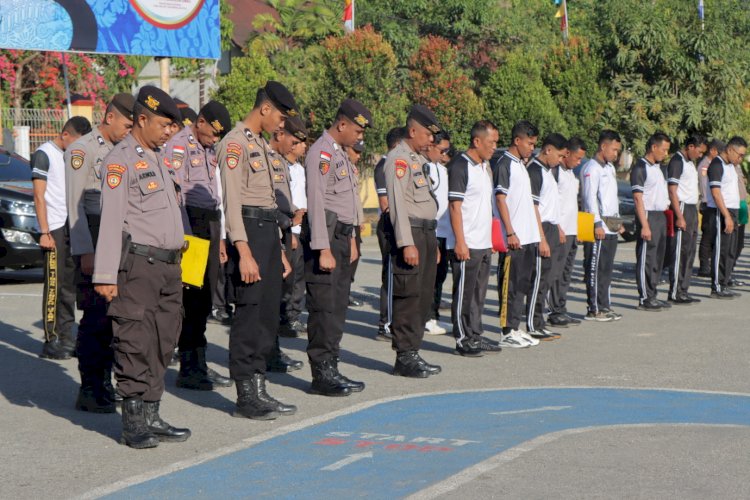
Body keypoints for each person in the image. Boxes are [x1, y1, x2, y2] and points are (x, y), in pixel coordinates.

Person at [92, 86, 189, 449]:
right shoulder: (121, 161)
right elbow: (111, 219)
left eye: (173, 126)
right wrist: (104, 275)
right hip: (138, 266)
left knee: (164, 340)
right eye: (165, 125)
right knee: (135, 340)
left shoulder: (157, 158)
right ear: (143, 119)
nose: (169, 132)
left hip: (169, 267)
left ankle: (152, 412)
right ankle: (133, 421)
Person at [217, 81, 297, 419]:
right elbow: (232, 203)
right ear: (265, 109)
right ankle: (245, 394)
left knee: (266, 315)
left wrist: (277, 249)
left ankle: (260, 387)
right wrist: (243, 250)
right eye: (280, 117)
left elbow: (267, 201)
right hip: (247, 233)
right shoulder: (234, 144)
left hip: (266, 233)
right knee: (248, 314)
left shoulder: (261, 145)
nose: (282, 125)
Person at [66, 93, 134, 413]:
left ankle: (105, 381)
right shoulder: (82, 150)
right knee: (94, 318)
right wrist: (85, 250)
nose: (129, 129)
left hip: (113, 234)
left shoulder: (124, 151)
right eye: (126, 123)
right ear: (109, 117)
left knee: (112, 318)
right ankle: (90, 387)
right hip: (92, 234)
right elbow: (75, 204)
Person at [164, 101, 234, 390]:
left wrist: (218, 239)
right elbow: (176, 194)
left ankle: (199, 362)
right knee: (192, 301)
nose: (215, 139)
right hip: (191, 224)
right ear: (201, 122)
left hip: (210, 223)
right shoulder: (179, 145)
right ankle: (189, 367)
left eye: (219, 136)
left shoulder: (208, 149)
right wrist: (187, 237)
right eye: (213, 132)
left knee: (205, 299)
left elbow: (214, 193)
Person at [303, 99, 370, 395]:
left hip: (343, 237)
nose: (359, 137)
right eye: (356, 130)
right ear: (342, 124)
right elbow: (316, 201)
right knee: (324, 308)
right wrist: (322, 248)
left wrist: (353, 238)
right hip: (327, 238)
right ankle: (321, 374)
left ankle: (333, 366)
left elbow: (349, 201)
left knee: (338, 306)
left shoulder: (340, 154)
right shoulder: (322, 152)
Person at [384, 104, 443, 376]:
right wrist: (407, 243)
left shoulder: (418, 160)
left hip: (426, 233)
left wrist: (432, 241)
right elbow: (397, 204)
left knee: (423, 295)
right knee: (408, 296)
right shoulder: (399, 159)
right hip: (412, 234)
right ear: (412, 130)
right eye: (428, 134)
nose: (432, 140)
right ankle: (404, 356)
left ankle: (413, 350)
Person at [33, 116, 92, 359]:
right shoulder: (44, 153)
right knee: (54, 287)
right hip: (53, 227)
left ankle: (68, 336)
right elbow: (39, 196)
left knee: (69, 286)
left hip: (70, 225)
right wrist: (44, 231)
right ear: (66, 134)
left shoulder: (71, 156)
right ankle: (51, 339)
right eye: (77, 141)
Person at [447, 121, 499, 356]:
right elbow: (455, 207)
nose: (494, 147)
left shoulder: (484, 166)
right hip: (466, 243)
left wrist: (491, 239)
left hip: (483, 242)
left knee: (479, 293)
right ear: (477, 141)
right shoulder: (460, 165)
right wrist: (460, 241)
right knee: (464, 294)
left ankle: (475, 335)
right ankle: (462, 338)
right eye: (491, 142)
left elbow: (485, 206)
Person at [493, 120, 541, 349]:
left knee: (522, 284)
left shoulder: (521, 165)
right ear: (517, 140)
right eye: (529, 143)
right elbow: (500, 198)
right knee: (509, 286)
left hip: (528, 237)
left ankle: (515, 326)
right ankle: (506, 330)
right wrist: (510, 232)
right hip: (514, 238)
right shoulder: (505, 164)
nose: (532, 148)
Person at [267, 115, 307, 373]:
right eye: (294, 139)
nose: (296, 145)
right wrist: (289, 223)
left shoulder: (285, 164)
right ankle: (265, 356)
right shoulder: (268, 159)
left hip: (283, 228)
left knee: (279, 293)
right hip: (271, 231)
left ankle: (272, 352)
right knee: (268, 300)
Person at [524, 133, 568, 339]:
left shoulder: (548, 172)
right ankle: (533, 324)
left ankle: (540, 321)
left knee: (547, 279)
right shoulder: (534, 171)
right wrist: (541, 237)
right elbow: (533, 207)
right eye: (559, 156)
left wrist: (558, 227)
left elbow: (550, 204)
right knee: (539, 279)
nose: (560, 161)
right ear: (548, 150)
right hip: (539, 228)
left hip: (551, 227)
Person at [581, 130, 624, 322]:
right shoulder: (592, 168)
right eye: (614, 149)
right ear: (603, 146)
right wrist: (597, 223)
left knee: (607, 269)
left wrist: (617, 224)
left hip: (610, 226)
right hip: (596, 226)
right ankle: (594, 308)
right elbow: (590, 199)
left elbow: (609, 200)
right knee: (595, 268)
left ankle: (605, 305)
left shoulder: (609, 168)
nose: (616, 154)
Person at [548, 137, 586, 327]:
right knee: (555, 272)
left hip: (572, 231)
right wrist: (559, 228)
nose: (578, 163)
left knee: (566, 273)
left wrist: (578, 228)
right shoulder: (556, 173)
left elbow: (574, 204)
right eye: (577, 158)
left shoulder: (571, 174)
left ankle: (561, 308)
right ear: (567, 153)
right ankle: (553, 311)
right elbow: (553, 204)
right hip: (560, 231)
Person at [631, 132, 672, 311]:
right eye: (663, 149)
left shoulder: (657, 167)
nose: (665, 153)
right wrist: (645, 225)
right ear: (653, 147)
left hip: (660, 215)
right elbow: (638, 199)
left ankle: (653, 292)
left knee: (658, 257)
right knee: (647, 257)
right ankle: (645, 297)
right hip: (647, 215)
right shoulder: (641, 167)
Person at [373, 127, 407, 341]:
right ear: (397, 144)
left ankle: (396, 320)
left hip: (399, 224)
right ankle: (385, 324)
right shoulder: (384, 165)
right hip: (389, 226)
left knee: (399, 275)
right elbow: (385, 203)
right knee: (390, 275)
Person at [666, 134, 707, 304]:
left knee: (689, 252)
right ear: (690, 146)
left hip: (691, 208)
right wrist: (679, 216)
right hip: (681, 207)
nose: (700, 155)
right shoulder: (677, 161)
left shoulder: (690, 162)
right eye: (699, 151)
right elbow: (672, 190)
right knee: (680, 252)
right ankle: (675, 292)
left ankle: (683, 289)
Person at [705, 136, 747, 298]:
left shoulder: (730, 166)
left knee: (730, 250)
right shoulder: (717, 164)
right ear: (730, 150)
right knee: (721, 250)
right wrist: (726, 216)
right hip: (721, 211)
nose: (740, 158)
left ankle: (724, 282)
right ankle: (717, 287)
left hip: (733, 210)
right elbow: (716, 193)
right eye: (739, 154)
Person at [424, 131, 452, 336]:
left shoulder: (443, 170)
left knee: (440, 276)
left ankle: (433, 316)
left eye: (446, 151)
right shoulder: (424, 167)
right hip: (430, 230)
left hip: (444, 231)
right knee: (428, 277)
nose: (444, 154)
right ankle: (425, 317)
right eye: (442, 150)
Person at [282, 132, 309, 338]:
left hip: (302, 228)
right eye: (300, 143)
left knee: (299, 275)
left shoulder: (300, 169)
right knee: (288, 277)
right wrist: (290, 229)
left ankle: (294, 315)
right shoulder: (282, 168)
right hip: (289, 227)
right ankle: (285, 317)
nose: (304, 147)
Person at [697, 139, 725, 276]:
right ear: (713, 151)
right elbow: (703, 187)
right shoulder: (705, 166)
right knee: (707, 237)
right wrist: (707, 202)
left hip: (712, 204)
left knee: (713, 237)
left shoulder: (714, 164)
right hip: (707, 204)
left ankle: (709, 265)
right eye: (719, 152)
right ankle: (703, 267)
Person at [345, 139, 367, 307]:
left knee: (355, 256)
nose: (358, 156)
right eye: (356, 151)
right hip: (344, 220)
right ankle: (341, 292)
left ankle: (346, 290)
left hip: (354, 220)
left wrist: (360, 219)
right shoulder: (341, 166)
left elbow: (355, 198)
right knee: (346, 257)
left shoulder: (352, 169)